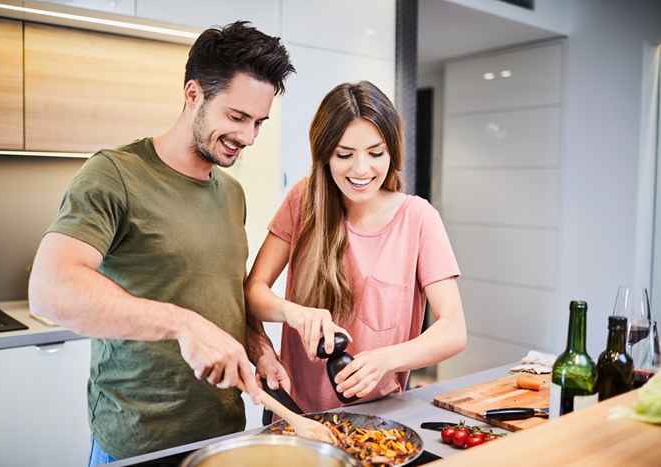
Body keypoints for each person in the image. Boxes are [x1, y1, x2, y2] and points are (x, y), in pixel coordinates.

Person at [28, 21, 295, 464]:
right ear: (193, 94)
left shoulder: (232, 194)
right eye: (236, 117)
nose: (248, 137)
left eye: (259, 123)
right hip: (136, 442)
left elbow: (224, 292)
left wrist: (258, 344)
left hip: (221, 436)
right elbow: (49, 289)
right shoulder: (114, 174)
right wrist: (183, 324)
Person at [246, 81, 467, 413]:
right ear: (325, 155)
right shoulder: (303, 201)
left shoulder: (419, 219)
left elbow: (453, 329)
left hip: (381, 415)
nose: (362, 170)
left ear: (392, 152)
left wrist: (385, 360)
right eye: (344, 155)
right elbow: (253, 292)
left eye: (376, 153)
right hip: (296, 411)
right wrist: (293, 312)